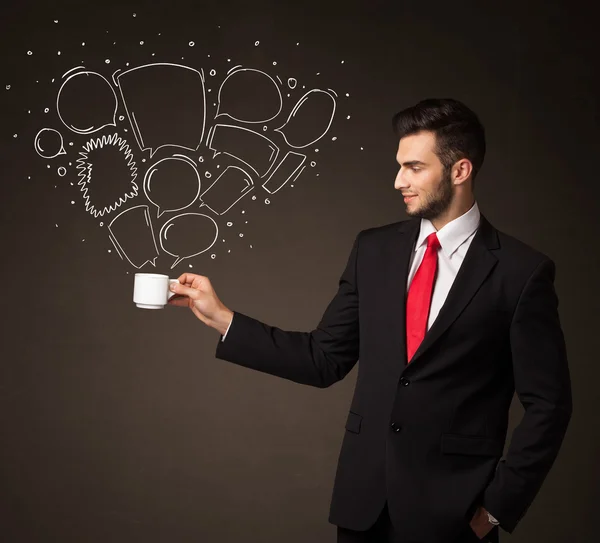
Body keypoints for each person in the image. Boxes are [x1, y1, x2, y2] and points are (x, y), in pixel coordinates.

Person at [168, 98, 572, 543]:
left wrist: (496, 508)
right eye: (399, 166)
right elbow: (323, 359)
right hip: (363, 510)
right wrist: (222, 318)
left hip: (455, 518)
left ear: (460, 171)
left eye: (414, 167)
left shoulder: (520, 272)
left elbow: (549, 405)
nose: (398, 180)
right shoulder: (373, 250)